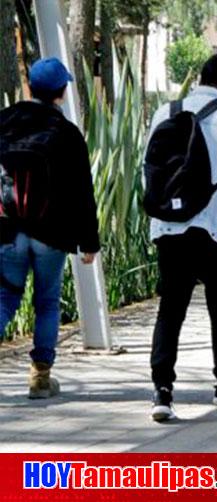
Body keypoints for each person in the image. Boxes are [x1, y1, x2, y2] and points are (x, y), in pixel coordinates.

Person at [147, 55, 217, 422]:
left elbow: (148, 169)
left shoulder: (165, 113)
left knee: (171, 309)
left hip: (170, 227)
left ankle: (162, 391)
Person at [0, 57, 100, 399]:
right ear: (61, 92)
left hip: (8, 231)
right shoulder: (67, 134)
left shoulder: (5, 122)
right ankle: (40, 378)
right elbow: (82, 194)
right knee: (47, 302)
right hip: (51, 235)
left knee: (5, 299)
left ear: (30, 87)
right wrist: (90, 242)